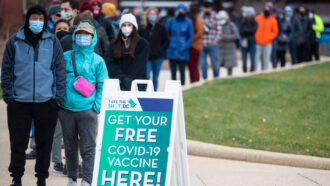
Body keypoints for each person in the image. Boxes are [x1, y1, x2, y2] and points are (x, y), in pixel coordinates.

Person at [1, 5, 66, 186]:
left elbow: (60, 70)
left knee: (44, 144)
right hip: (19, 103)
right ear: (27, 19)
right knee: (18, 143)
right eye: (33, 18)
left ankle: (41, 179)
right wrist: (9, 97)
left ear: (44, 21)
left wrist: (57, 98)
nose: (36, 21)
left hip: (46, 102)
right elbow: (6, 70)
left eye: (40, 18)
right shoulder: (15, 41)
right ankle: (16, 177)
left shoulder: (52, 41)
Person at [59, 20, 108, 186]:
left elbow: (103, 84)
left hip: (88, 110)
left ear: (92, 37)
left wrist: (96, 106)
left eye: (86, 35)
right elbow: (57, 79)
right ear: (74, 35)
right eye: (79, 34)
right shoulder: (65, 57)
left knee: (88, 148)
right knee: (70, 147)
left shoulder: (98, 61)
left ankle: (87, 179)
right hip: (66, 109)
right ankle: (72, 178)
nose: (82, 37)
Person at [106, 13, 149, 91]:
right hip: (118, 84)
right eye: (124, 25)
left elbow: (140, 65)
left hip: (136, 85)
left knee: (133, 103)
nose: (126, 27)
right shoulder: (114, 44)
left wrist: (129, 81)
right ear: (120, 27)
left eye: (129, 25)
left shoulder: (143, 44)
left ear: (134, 27)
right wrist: (122, 78)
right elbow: (109, 62)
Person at [139, 7, 169, 91]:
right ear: (147, 15)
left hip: (158, 57)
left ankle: (154, 93)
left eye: (154, 14)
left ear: (157, 16)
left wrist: (161, 50)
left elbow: (166, 41)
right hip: (146, 57)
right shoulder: (142, 28)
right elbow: (138, 41)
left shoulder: (161, 28)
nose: (152, 16)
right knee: (146, 76)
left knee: (155, 77)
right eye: (150, 14)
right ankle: (145, 93)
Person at [166, 4, 194, 85]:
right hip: (172, 50)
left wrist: (186, 46)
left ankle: (182, 88)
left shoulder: (188, 22)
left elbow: (190, 36)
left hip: (183, 51)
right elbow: (166, 34)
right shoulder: (171, 21)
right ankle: (173, 89)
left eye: (182, 10)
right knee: (173, 73)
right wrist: (169, 45)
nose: (180, 12)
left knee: (182, 72)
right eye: (179, 10)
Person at [199, 0, 221, 80]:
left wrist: (215, 41)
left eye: (208, 7)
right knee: (203, 64)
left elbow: (219, 30)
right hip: (202, 44)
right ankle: (204, 80)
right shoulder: (200, 16)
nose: (207, 9)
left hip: (212, 44)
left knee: (215, 63)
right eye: (205, 7)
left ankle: (216, 78)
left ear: (211, 7)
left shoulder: (215, 16)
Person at [255, 5, 278, 71]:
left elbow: (275, 32)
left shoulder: (273, 21)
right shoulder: (258, 19)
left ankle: (265, 72)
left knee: (266, 59)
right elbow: (254, 28)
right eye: (265, 9)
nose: (266, 11)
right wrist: (256, 37)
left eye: (268, 10)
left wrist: (268, 38)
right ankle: (254, 72)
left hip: (267, 43)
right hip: (258, 42)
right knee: (256, 59)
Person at [217, 10, 239, 76]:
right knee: (217, 65)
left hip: (230, 49)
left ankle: (230, 77)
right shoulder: (216, 25)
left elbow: (236, 36)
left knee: (229, 67)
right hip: (220, 48)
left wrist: (226, 37)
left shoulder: (231, 25)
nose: (222, 19)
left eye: (223, 18)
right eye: (221, 18)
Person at [186, 1, 203, 83]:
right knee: (190, 66)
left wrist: (190, 38)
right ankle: (192, 81)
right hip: (189, 46)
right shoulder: (188, 18)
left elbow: (200, 32)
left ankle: (196, 81)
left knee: (194, 66)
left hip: (195, 47)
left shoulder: (198, 19)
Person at [239, 6, 257, 72]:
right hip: (244, 42)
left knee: (253, 56)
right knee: (244, 56)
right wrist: (247, 31)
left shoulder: (255, 22)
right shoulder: (242, 22)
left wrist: (246, 31)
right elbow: (241, 31)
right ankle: (244, 67)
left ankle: (252, 67)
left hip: (252, 42)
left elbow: (253, 30)